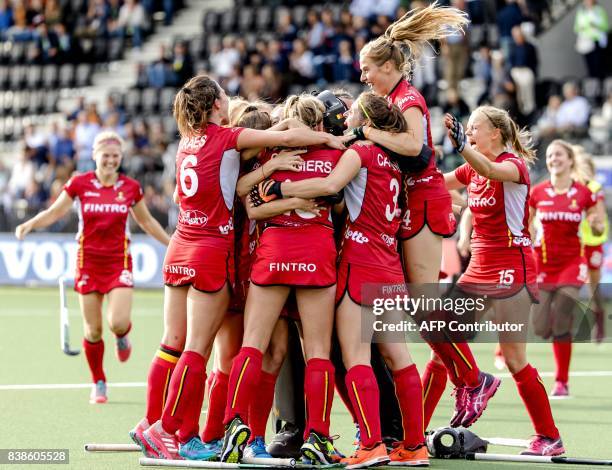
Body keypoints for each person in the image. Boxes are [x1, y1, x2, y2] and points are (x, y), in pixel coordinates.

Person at [130, 76, 344, 461]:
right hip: (210, 249)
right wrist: (330, 140)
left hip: (180, 244)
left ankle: (156, 426)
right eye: (224, 95)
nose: (229, 100)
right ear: (215, 104)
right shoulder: (227, 138)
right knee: (199, 350)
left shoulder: (186, 142)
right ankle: (166, 428)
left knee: (172, 344)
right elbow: (288, 137)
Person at [349, 1, 498, 430]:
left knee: (421, 305)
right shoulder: (391, 96)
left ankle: (473, 379)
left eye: (367, 69)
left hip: (423, 202)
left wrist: (366, 132)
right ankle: (469, 380)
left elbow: (415, 146)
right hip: (413, 203)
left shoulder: (407, 98)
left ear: (389, 66)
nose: (363, 77)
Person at [273, 92, 429, 467]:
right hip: (389, 262)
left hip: (360, 260)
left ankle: (371, 444)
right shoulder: (394, 159)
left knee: (354, 356)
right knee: (400, 357)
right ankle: (414, 446)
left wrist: (284, 189)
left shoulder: (359, 152)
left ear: (367, 122)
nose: (345, 120)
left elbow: (330, 188)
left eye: (352, 114)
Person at [219, 95, 343, 465]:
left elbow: (250, 202)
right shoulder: (336, 155)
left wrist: (283, 192)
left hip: (274, 253)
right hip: (316, 254)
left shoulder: (269, 156)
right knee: (318, 352)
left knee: (252, 347)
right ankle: (317, 436)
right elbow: (336, 202)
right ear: (320, 124)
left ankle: (234, 425)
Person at [15, 131, 171, 404]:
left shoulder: (130, 187)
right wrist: (30, 224)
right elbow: (55, 212)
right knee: (93, 331)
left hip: (118, 261)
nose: (110, 161)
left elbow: (146, 222)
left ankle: (122, 337)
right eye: (106, 156)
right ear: (95, 156)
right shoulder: (80, 183)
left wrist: (171, 244)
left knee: (118, 322)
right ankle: (99, 381)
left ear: (121, 157)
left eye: (115, 156)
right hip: (88, 262)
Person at [443, 106, 565, 456]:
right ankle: (467, 389)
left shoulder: (513, 166)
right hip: (480, 265)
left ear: (495, 132)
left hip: (512, 266)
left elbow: (489, 169)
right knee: (438, 328)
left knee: (515, 359)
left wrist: (462, 146)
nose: (470, 132)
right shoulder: (471, 166)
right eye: (468, 130)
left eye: (475, 128)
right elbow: (440, 181)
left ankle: (549, 437)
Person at [530, 139, 604, 398]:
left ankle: (561, 381)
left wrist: (596, 224)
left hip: (573, 263)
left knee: (563, 313)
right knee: (539, 328)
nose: (554, 159)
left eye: (559, 155)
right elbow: (526, 226)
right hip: (543, 264)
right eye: (550, 155)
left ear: (570, 160)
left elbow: (599, 224)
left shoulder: (584, 193)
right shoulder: (537, 192)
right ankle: (559, 331)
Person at [573, 148, 608, 343]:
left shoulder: (594, 188)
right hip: (574, 244)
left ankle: (599, 321)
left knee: (594, 285)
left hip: (593, 242)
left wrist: (595, 222)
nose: (583, 171)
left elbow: (600, 217)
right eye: (581, 167)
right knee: (571, 284)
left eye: (587, 167)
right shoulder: (569, 187)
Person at [574, 0, 609, 80]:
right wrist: (583, 28)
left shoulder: (599, 11)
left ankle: (601, 82)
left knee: (599, 65)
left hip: (596, 41)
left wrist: (596, 26)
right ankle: (594, 84)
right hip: (586, 42)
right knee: (590, 66)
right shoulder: (581, 12)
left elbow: (606, 26)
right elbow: (576, 28)